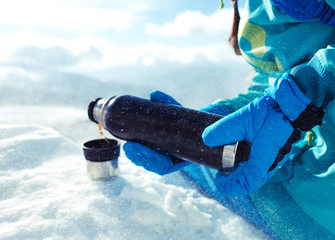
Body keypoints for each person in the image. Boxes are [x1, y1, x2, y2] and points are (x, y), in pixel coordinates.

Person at [123, 0, 335, 239]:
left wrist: (306, 88)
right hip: (303, 178)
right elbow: (274, 78)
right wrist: (216, 120)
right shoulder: (257, 8)